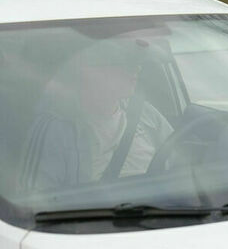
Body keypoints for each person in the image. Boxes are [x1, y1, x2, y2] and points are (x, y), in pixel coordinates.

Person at [20, 40, 173, 190]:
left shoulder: (145, 113)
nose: (136, 69)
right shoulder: (55, 129)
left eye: (136, 63)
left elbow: (181, 158)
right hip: (98, 214)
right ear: (88, 70)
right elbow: (33, 202)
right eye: (125, 63)